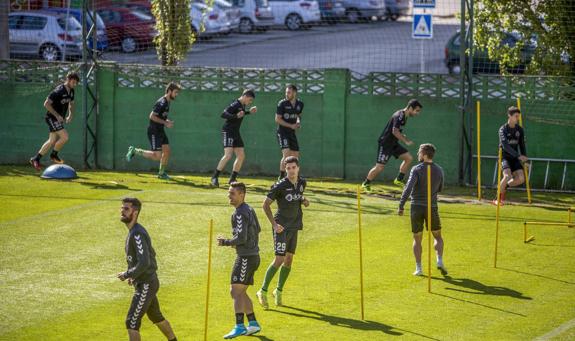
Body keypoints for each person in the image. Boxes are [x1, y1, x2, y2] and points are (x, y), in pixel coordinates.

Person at [117, 197, 177, 341]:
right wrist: (134, 275)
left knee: (131, 322)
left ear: (135, 213)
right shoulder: (133, 231)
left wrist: (127, 274)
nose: (122, 211)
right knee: (156, 316)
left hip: (146, 284)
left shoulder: (137, 233)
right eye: (122, 208)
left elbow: (144, 262)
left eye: (126, 209)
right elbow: (151, 254)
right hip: (145, 281)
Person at [256, 156, 309, 309]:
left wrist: (304, 200)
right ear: (285, 169)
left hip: (295, 226)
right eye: (288, 168)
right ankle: (262, 290)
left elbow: (297, 196)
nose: (291, 171)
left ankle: (278, 291)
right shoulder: (279, 185)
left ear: (298, 168)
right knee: (279, 259)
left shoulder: (302, 182)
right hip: (281, 227)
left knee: (289, 259)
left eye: (293, 168)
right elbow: (265, 205)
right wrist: (274, 224)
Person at [217, 182, 263, 339]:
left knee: (235, 291)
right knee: (241, 292)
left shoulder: (239, 213)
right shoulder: (249, 208)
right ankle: (253, 324)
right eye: (229, 193)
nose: (229, 196)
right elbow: (257, 229)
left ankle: (239, 326)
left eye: (232, 194)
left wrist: (226, 242)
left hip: (246, 257)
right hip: (253, 256)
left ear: (242, 195)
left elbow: (241, 237)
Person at [398, 144, 447, 276]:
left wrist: (401, 205)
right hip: (432, 207)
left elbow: (408, 188)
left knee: (417, 238)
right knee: (438, 237)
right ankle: (439, 260)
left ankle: (419, 268)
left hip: (416, 207)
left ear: (425, 155)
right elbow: (440, 188)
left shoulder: (416, 169)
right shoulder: (439, 170)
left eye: (420, 152)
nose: (418, 154)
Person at [361, 99, 423, 192]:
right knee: (380, 167)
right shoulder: (400, 115)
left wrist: (403, 136)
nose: (417, 113)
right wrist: (405, 141)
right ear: (410, 108)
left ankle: (399, 180)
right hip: (385, 143)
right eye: (416, 111)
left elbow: (396, 131)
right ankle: (366, 183)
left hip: (393, 143)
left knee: (409, 158)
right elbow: (394, 131)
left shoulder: (404, 117)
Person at [125, 82, 181, 180]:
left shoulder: (168, 102)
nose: (176, 95)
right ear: (169, 91)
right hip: (154, 131)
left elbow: (160, 116)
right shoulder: (162, 102)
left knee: (167, 151)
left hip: (160, 130)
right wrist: (165, 123)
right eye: (175, 92)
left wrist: (166, 121)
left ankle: (161, 173)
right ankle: (134, 150)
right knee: (157, 156)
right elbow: (152, 116)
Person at [29, 72, 79, 170]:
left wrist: (70, 115)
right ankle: (54, 155)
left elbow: (71, 104)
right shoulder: (59, 91)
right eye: (73, 82)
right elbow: (46, 104)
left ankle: (36, 158)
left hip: (58, 119)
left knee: (51, 140)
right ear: (68, 80)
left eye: (76, 83)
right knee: (65, 137)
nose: (74, 84)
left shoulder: (72, 91)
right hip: (51, 117)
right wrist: (57, 115)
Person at [211, 89, 257, 187]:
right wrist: (236, 116)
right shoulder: (235, 104)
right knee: (228, 155)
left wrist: (249, 112)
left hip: (235, 132)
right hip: (228, 131)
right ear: (244, 96)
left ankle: (232, 179)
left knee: (241, 156)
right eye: (250, 100)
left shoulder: (242, 105)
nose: (250, 102)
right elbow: (223, 114)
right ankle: (214, 177)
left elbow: (241, 114)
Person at [493, 106, 528, 206]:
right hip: (505, 157)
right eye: (516, 116)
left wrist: (524, 157)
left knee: (521, 179)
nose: (518, 118)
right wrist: (518, 156)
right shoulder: (502, 129)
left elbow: (522, 145)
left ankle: (504, 186)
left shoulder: (520, 130)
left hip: (515, 158)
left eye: (518, 116)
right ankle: (496, 199)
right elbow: (505, 146)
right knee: (507, 175)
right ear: (509, 116)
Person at [275, 84, 304, 179]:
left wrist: (298, 122)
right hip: (282, 132)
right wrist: (291, 125)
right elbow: (277, 119)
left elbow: (298, 115)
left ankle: (295, 177)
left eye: (289, 92)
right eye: (286, 92)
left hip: (292, 133)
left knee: (295, 156)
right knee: (286, 154)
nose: (287, 94)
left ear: (294, 93)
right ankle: (282, 177)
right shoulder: (281, 104)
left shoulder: (300, 104)